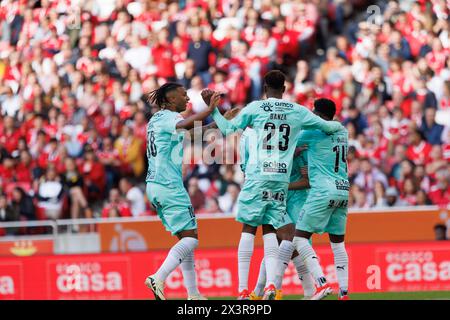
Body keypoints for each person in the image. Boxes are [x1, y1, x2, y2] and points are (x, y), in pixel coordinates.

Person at [203, 70, 343, 300]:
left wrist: (214, 109)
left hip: (258, 175)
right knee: (273, 228)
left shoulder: (256, 108)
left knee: (249, 228)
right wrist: (341, 132)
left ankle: (242, 290)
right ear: (285, 89)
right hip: (281, 179)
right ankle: (270, 286)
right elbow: (328, 127)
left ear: (265, 89)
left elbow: (228, 129)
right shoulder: (297, 111)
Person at [144, 82, 221, 300]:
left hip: (154, 185)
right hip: (169, 185)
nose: (187, 99)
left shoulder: (156, 120)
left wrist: (221, 121)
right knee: (192, 240)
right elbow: (186, 125)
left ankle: (193, 294)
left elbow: (195, 133)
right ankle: (158, 277)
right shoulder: (170, 118)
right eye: (183, 95)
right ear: (170, 100)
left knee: (185, 239)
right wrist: (208, 109)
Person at [292, 98, 350, 300]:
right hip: (343, 190)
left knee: (298, 237)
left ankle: (321, 284)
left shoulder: (311, 133)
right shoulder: (343, 132)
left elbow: (286, 147)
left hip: (323, 191)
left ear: (317, 114)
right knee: (338, 244)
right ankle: (344, 294)